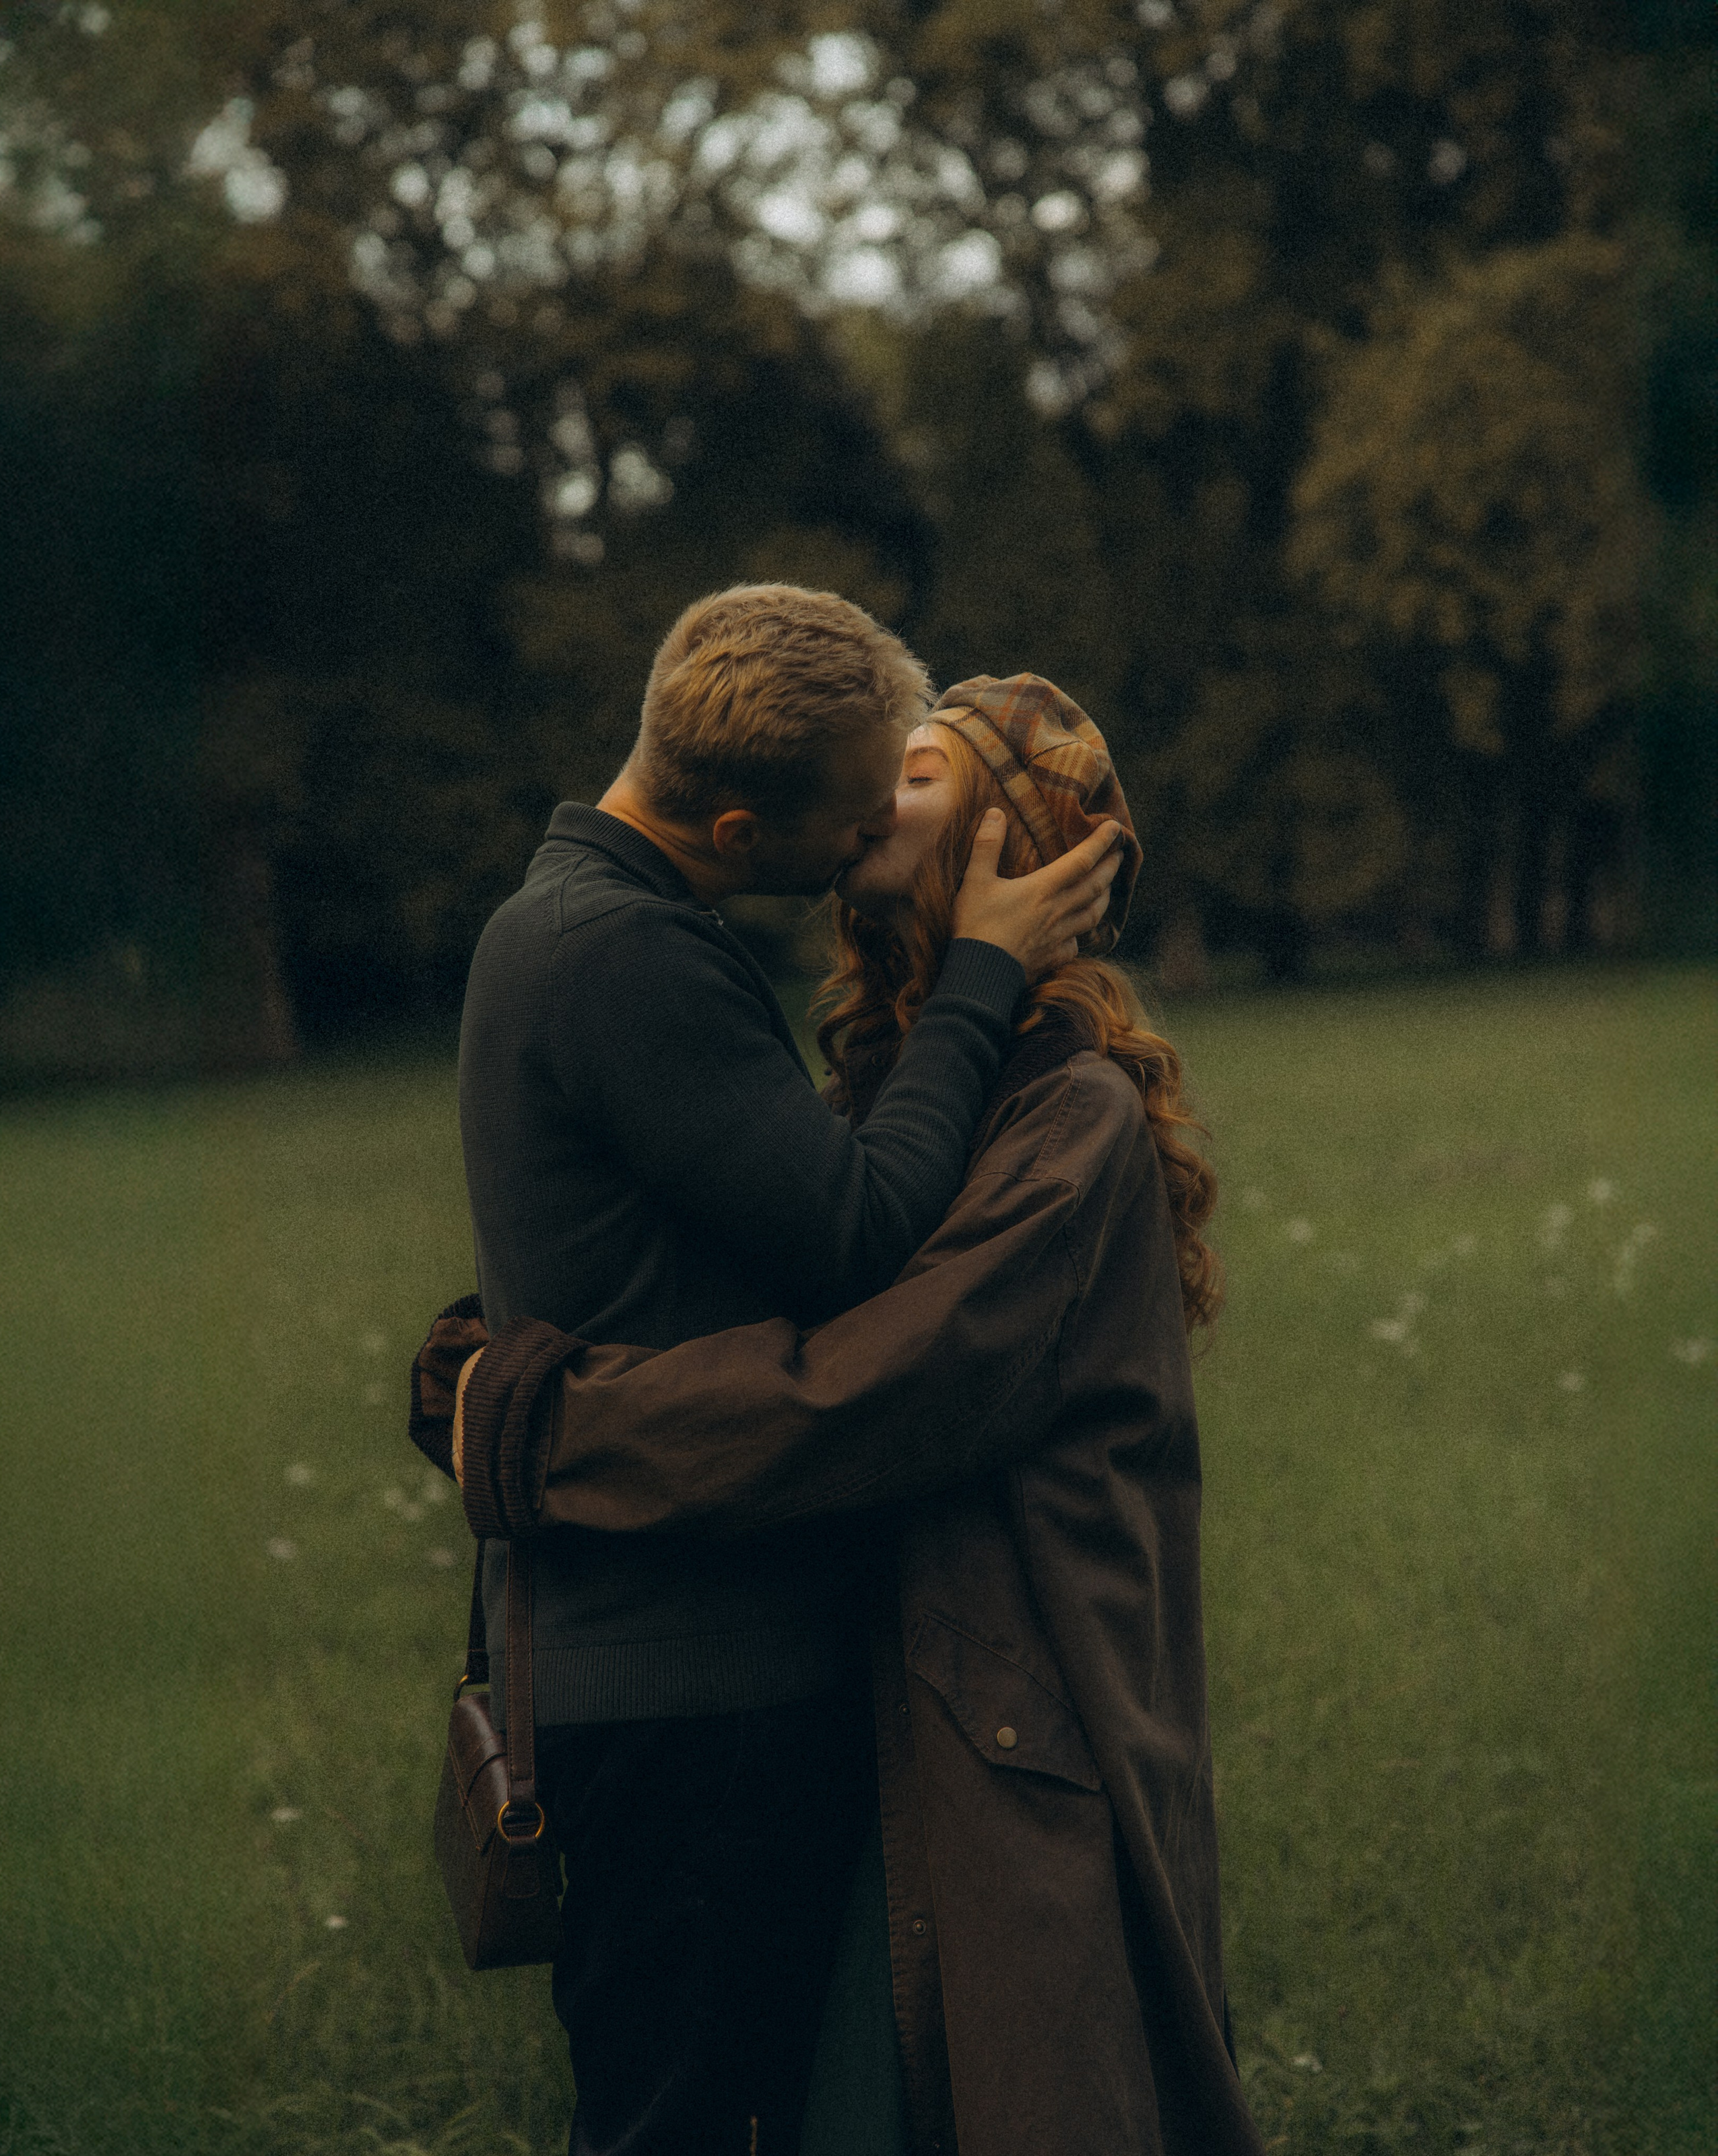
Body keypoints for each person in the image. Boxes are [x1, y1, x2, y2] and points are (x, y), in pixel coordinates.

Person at [421, 676, 1267, 2156]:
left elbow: (866, 1391)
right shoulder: (897, 1087)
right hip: (902, 1699)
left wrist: (533, 1422)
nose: (873, 792)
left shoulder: (1067, 1121)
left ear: (1012, 844)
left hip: (1026, 1715)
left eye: (919, 771)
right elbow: (766, 1294)